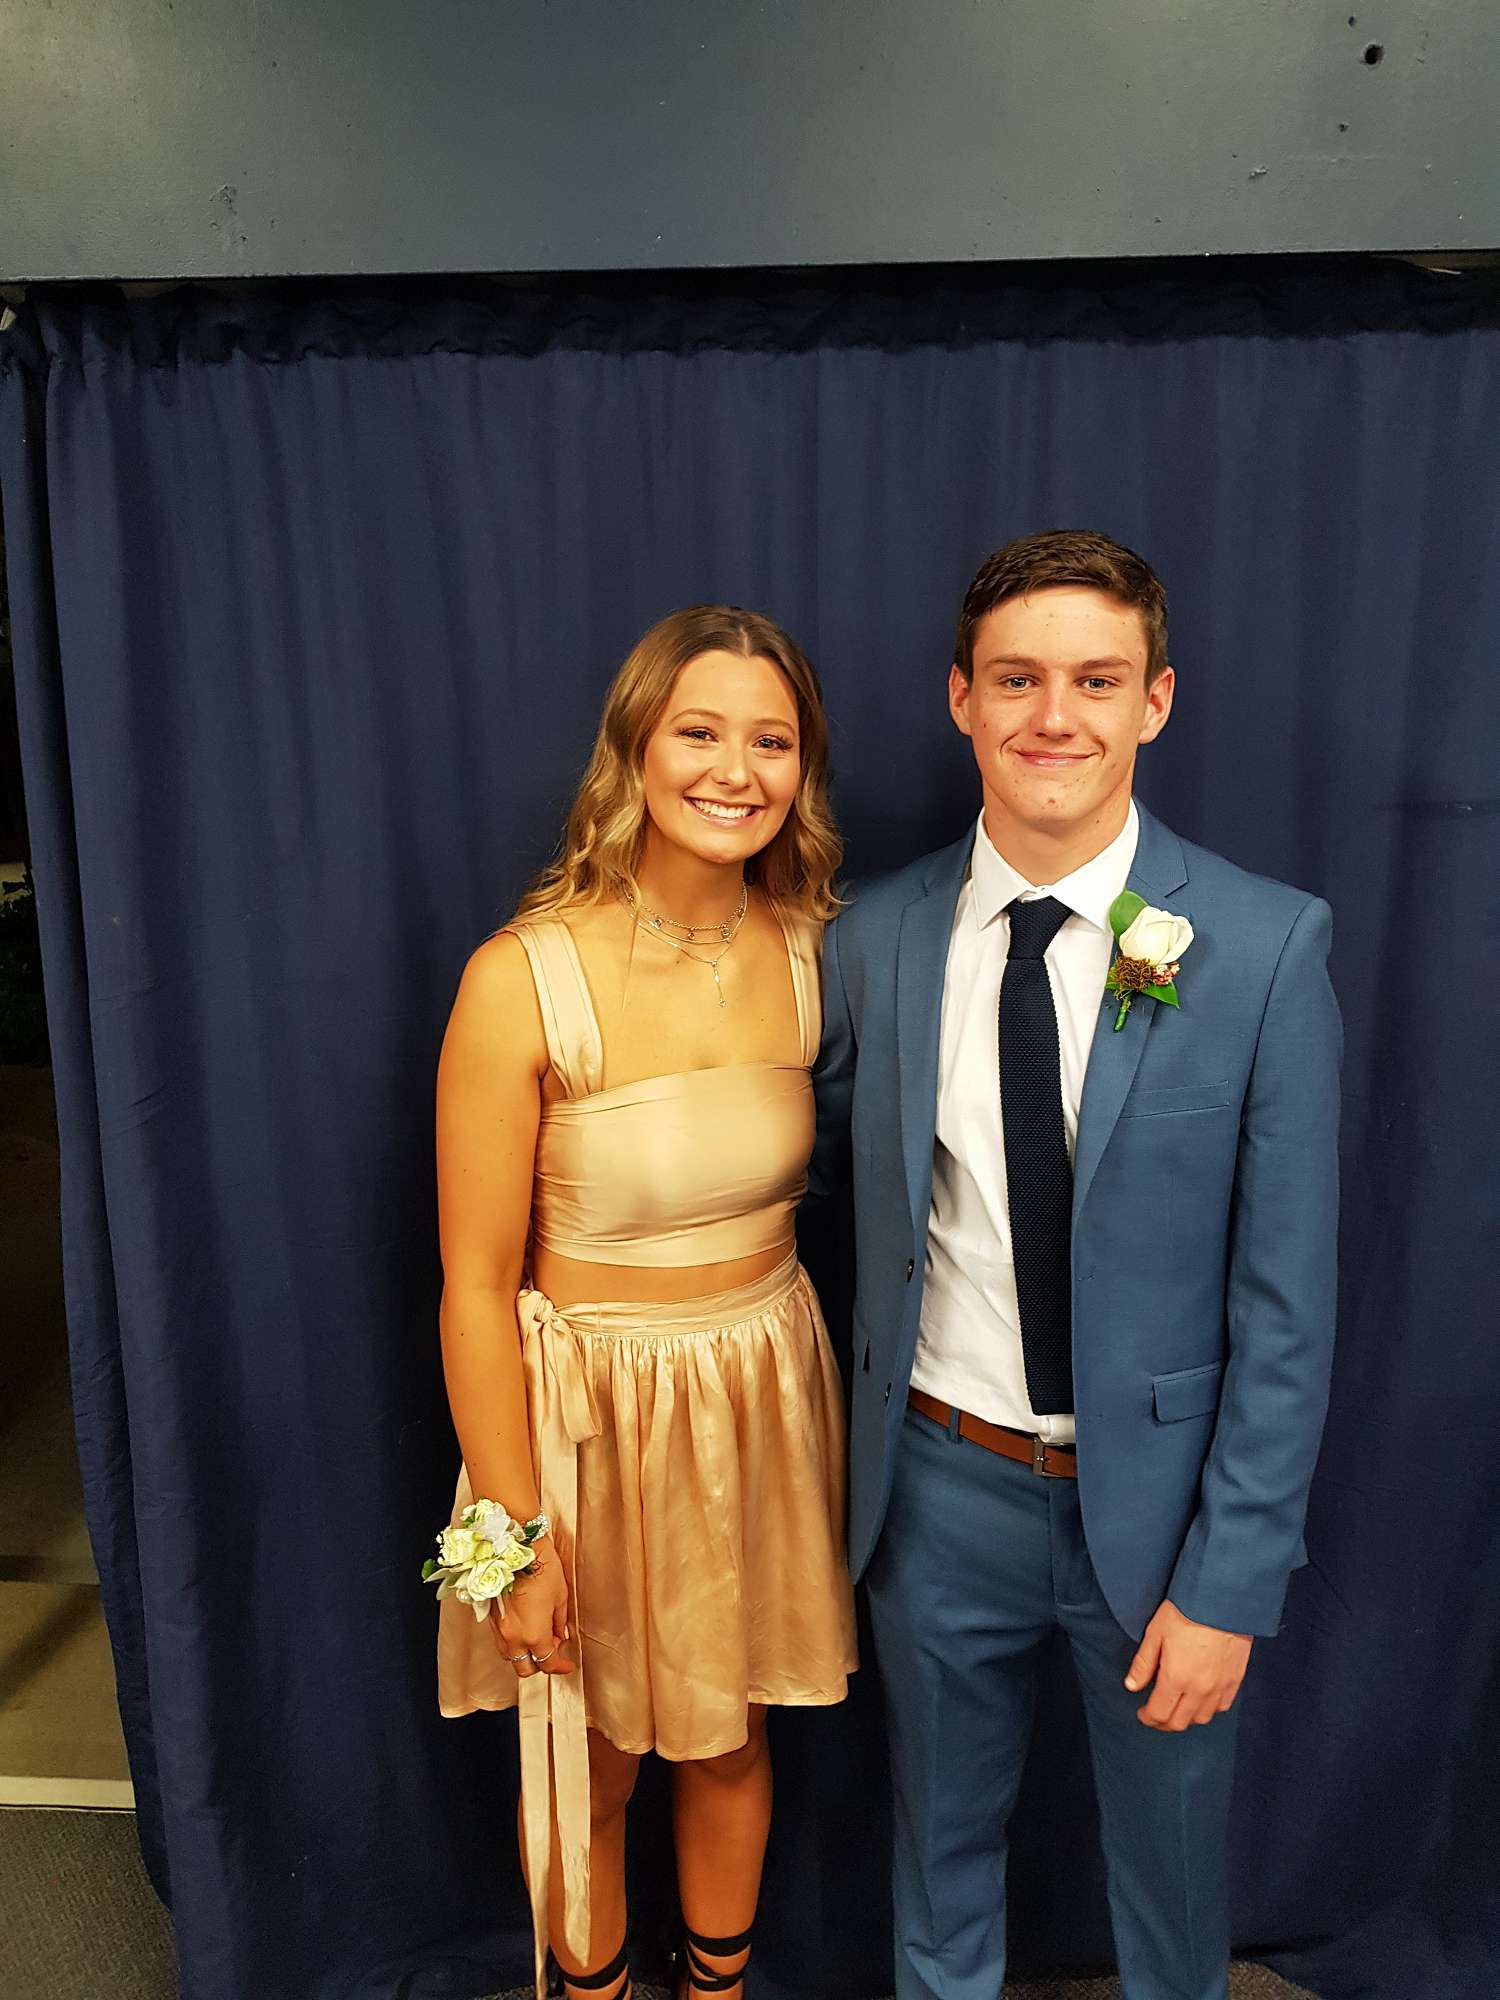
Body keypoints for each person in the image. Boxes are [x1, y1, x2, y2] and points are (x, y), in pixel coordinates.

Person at [812, 530, 1342, 1999]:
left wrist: (1232, 1581)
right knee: (938, 1866)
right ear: (961, 699)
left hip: (1165, 1517)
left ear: (1155, 702)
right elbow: (810, 1180)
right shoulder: (874, 939)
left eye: (1097, 681)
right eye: (1017, 679)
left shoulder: (1262, 947)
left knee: (1170, 1891)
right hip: (938, 1491)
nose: (1056, 716)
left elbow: (1288, 1308)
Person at [433, 607, 857, 2000]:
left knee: (733, 1740)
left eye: (772, 740)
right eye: (700, 731)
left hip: (759, 1404)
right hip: (587, 1430)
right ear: (634, 747)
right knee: (592, 1756)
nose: (736, 769)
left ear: (802, 769)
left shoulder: (815, 952)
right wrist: (512, 1538)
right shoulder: (521, 977)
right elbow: (475, 1288)